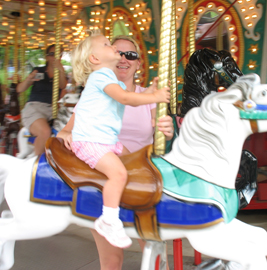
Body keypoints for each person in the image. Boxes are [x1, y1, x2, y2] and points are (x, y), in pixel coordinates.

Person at [58, 34, 174, 269]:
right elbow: (66, 131)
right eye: (115, 50)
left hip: (139, 176)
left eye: (129, 54)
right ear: (97, 58)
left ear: (138, 63)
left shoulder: (146, 98)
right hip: (104, 172)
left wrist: (166, 128)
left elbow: (160, 129)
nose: (122, 57)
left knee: (154, 252)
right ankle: (108, 219)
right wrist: (66, 135)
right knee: (112, 260)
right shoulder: (100, 86)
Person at [16, 44, 68, 155]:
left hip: (52, 110)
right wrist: (29, 79)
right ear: (47, 57)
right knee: (45, 131)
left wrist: (60, 70)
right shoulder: (38, 71)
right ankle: (36, 163)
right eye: (52, 54)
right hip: (35, 108)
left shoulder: (60, 73)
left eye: (58, 54)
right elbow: (20, 89)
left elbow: (62, 86)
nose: (55, 57)